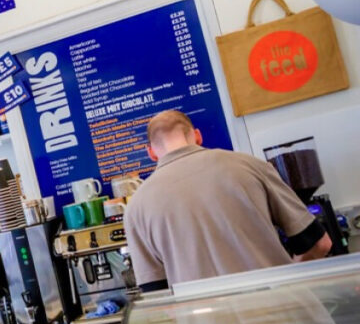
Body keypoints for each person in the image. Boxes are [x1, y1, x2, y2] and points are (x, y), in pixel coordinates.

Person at [125, 110, 332, 289]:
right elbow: (319, 243)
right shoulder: (249, 165)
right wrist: (287, 282)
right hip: (288, 319)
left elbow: (157, 295)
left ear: (151, 153)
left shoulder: (135, 208)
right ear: (197, 136)